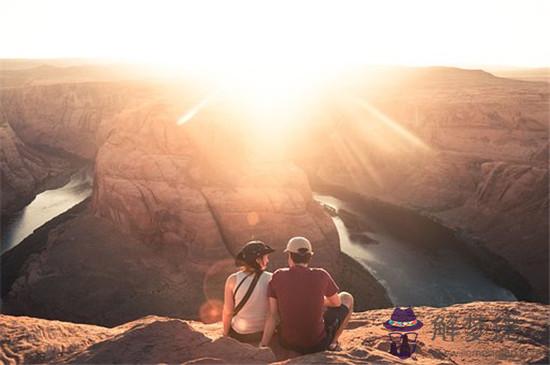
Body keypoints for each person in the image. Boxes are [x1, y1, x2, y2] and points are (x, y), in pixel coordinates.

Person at [259, 236, 354, 353]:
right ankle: (333, 344)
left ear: (290, 256)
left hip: (287, 343)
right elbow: (337, 303)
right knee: (347, 297)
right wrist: (320, 300)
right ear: (310, 256)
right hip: (317, 345)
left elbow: (272, 315)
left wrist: (263, 345)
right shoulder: (321, 275)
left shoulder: (278, 276)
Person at [222, 240, 274, 343]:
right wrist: (263, 345)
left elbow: (228, 312)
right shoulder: (271, 278)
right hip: (262, 332)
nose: (268, 260)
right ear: (258, 260)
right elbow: (272, 313)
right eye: (266, 257)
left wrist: (225, 334)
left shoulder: (232, 279)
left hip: (241, 334)